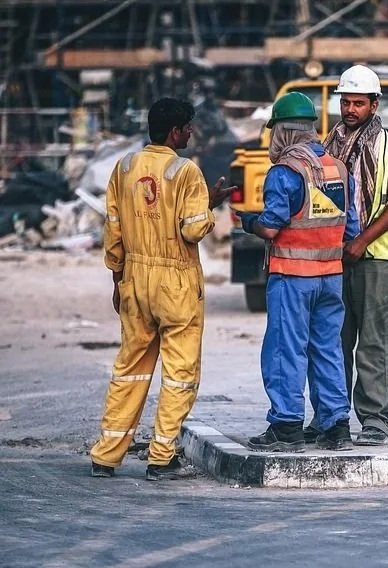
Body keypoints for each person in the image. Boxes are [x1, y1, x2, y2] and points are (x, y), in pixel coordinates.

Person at [90, 97, 232, 481]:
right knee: (179, 373)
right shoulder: (185, 171)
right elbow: (192, 229)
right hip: (176, 282)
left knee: (130, 370)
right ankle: (161, 457)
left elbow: (114, 229)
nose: (190, 133)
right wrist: (210, 203)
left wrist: (118, 279)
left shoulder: (124, 167)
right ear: (175, 131)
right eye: (188, 127)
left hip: (135, 277)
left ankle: (106, 455)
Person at [238, 92, 359, 453]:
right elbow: (350, 228)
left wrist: (248, 223)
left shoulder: (284, 172)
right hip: (331, 276)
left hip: (292, 276)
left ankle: (286, 425)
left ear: (283, 133)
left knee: (285, 350)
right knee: (327, 348)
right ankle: (336, 426)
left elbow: (271, 228)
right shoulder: (338, 167)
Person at [313, 65, 388, 447]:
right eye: (346, 101)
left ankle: (374, 419)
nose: (351, 109)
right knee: (334, 341)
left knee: (374, 341)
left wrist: (361, 242)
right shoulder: (328, 147)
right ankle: (332, 418)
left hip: (379, 259)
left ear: (374, 105)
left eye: (359, 103)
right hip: (335, 257)